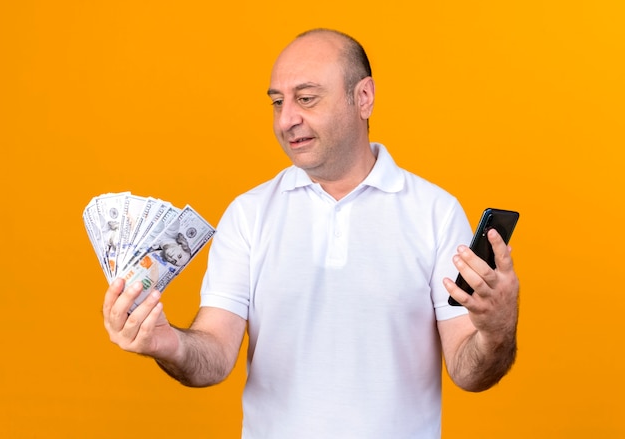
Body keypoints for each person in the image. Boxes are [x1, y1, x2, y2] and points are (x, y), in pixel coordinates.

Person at [103, 28, 519, 439]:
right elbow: (213, 355)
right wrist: (167, 343)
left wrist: (497, 327)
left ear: (364, 98)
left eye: (306, 99)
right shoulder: (249, 214)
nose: (287, 120)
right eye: (277, 102)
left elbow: (469, 372)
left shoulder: (435, 212)